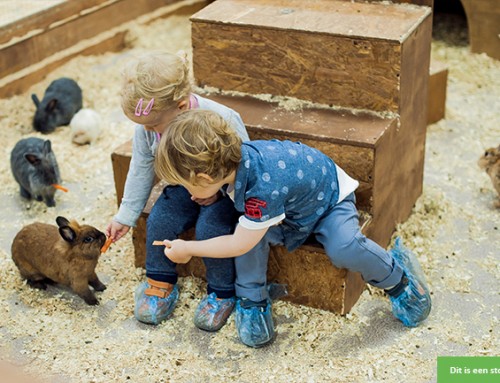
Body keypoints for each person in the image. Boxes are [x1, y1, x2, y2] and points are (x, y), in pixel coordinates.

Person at [154, 109, 432, 348]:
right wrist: (214, 193)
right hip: (289, 212)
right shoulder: (237, 161)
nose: (189, 195)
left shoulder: (261, 188)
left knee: (343, 247)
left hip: (328, 202)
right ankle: (252, 300)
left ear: (205, 176)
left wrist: (188, 248)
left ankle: (398, 280)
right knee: (250, 230)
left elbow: (239, 244)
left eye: (188, 186)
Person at [106, 51, 249, 331]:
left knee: (211, 228)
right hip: (181, 185)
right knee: (161, 219)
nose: (147, 130)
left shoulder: (222, 118)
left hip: (222, 189)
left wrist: (219, 191)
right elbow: (141, 168)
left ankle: (222, 293)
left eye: (152, 125)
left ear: (182, 106)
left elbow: (245, 164)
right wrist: (126, 215)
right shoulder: (148, 128)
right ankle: (159, 281)